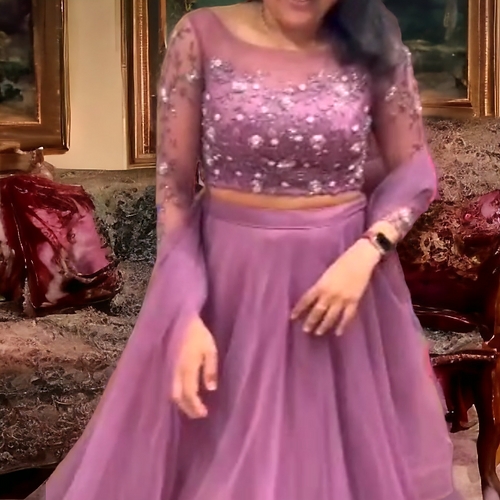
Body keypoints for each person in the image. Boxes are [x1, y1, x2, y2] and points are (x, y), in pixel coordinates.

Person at [34, 0, 463, 499]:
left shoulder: (373, 34)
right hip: (230, 287)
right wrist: (183, 314)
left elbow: (413, 169)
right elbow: (174, 194)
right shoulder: (200, 36)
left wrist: (369, 250)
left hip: (342, 287)